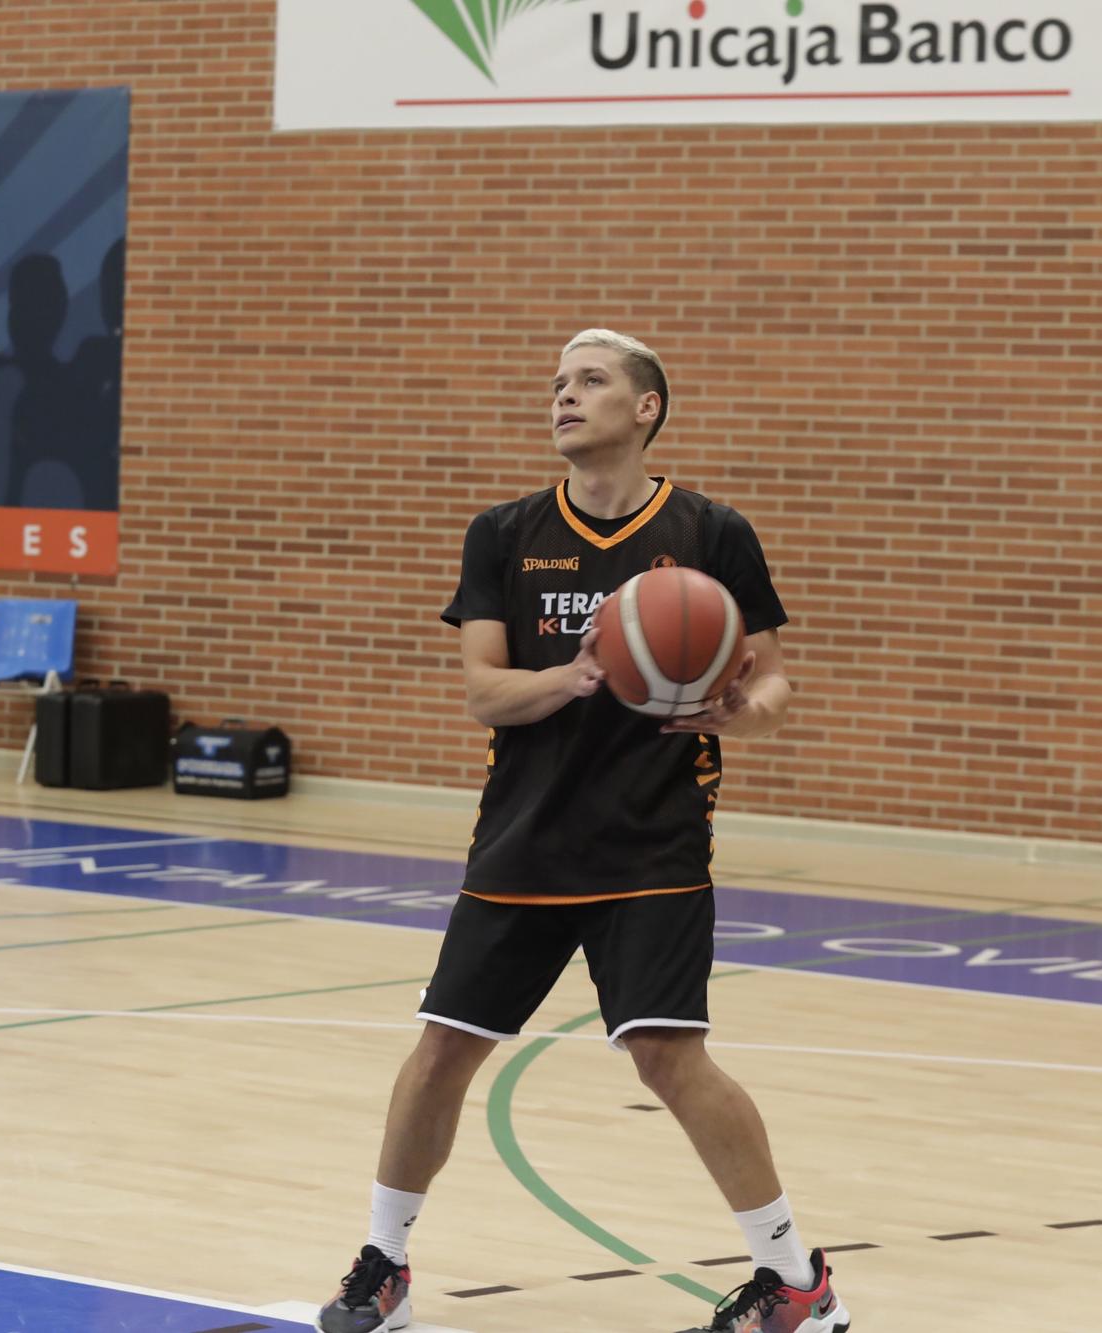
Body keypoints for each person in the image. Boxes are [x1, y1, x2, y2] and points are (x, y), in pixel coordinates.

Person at [315, 332, 848, 1333]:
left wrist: (741, 712)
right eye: (557, 383)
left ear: (644, 409)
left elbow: (770, 677)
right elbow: (481, 689)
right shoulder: (505, 532)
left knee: (665, 1053)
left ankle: (795, 1281)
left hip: (653, 840)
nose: (564, 396)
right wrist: (576, 671)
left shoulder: (708, 532)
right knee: (440, 1052)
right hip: (522, 836)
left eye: (590, 382)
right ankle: (380, 1264)